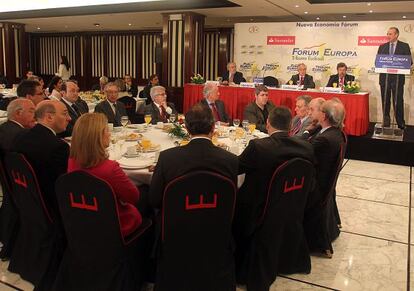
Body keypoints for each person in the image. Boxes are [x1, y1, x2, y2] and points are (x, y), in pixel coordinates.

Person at [235, 106, 315, 238]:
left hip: (260, 208)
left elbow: (236, 168)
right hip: (294, 205)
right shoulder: (306, 148)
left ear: (268, 123)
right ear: (290, 125)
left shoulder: (258, 147)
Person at [149, 103, 238, 209]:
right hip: (219, 222)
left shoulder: (167, 158)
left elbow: (154, 200)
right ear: (213, 127)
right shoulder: (231, 160)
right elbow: (232, 200)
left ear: (186, 128)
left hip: (174, 222)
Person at [68, 113, 142, 237]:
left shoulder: (71, 161)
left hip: (83, 222)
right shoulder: (110, 168)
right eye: (107, 130)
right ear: (97, 137)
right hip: (115, 227)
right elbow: (133, 197)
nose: (110, 134)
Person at [13, 100, 71, 215]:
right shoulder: (58, 147)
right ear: (49, 117)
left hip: (24, 200)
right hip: (50, 208)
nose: (69, 118)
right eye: (64, 113)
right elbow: (63, 187)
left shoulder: (20, 136)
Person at [304, 100, 346, 258]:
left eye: (320, 110)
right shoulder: (335, 133)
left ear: (324, 116)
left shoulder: (325, 139)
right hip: (324, 184)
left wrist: (307, 133)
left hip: (315, 188)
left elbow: (303, 149)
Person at [377, 27, 412, 129]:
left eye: (390, 34)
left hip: (397, 79)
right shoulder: (382, 47)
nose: (388, 36)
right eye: (387, 33)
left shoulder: (404, 46)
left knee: (398, 101)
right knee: (385, 100)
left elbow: (410, 62)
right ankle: (386, 122)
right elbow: (378, 61)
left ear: (396, 35)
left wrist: (398, 63)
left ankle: (400, 123)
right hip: (385, 79)